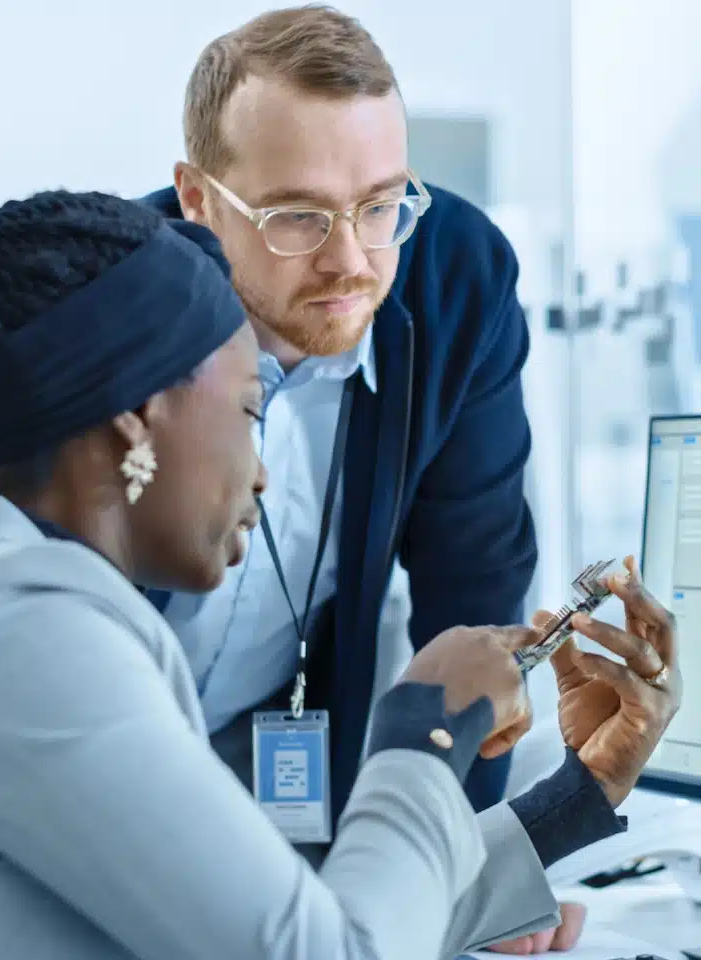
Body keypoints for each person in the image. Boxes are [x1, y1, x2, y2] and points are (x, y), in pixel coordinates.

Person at [0, 171, 679, 960]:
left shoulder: (13, 603)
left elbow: (291, 919)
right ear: (135, 422)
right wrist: (423, 730)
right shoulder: (13, 633)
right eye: (245, 413)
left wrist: (576, 796)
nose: (264, 472)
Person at [138, 5, 574, 950]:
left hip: (287, 763)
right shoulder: (107, 300)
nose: (350, 260)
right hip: (103, 750)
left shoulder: (453, 276)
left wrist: (469, 870)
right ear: (198, 199)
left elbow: (475, 595)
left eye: (382, 204)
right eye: (297, 215)